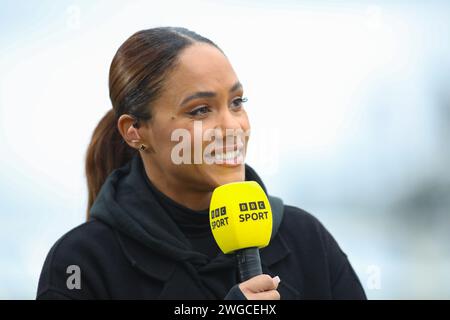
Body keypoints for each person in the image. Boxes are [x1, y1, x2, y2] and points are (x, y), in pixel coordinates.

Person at [36, 27, 366, 300]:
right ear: (135, 131)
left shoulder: (305, 240)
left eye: (237, 103)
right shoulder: (79, 264)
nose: (232, 127)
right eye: (200, 110)